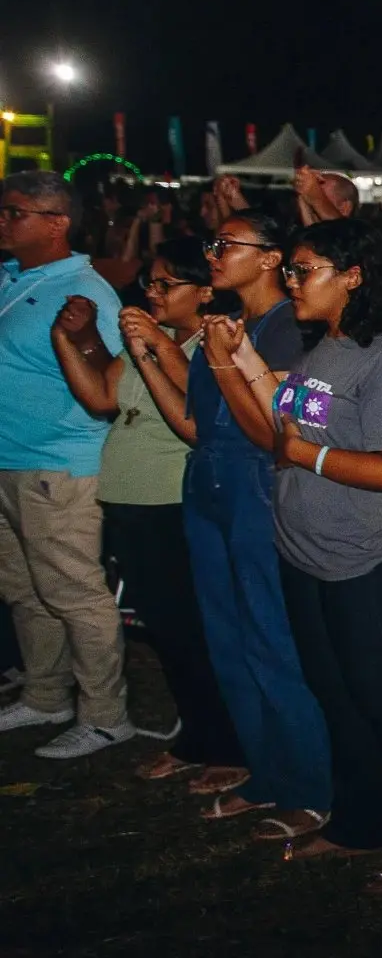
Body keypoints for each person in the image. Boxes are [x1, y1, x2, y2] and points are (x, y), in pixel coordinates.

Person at [223, 217, 382, 893]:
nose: (292, 281)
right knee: (336, 692)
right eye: (292, 270)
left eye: (305, 270)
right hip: (304, 549)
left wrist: (305, 455)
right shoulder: (323, 348)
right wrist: (241, 360)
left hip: (366, 553)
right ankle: (361, 822)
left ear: (352, 277)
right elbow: (289, 415)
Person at [132, 210, 335, 837]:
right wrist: (150, 357)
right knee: (228, 639)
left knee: (272, 637)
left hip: (258, 483)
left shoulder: (291, 328)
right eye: (213, 244)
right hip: (209, 481)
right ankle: (265, 772)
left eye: (226, 245)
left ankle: (312, 785)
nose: (213, 254)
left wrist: (223, 360)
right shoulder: (223, 324)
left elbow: (281, 427)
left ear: (271, 258)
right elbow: (196, 425)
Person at [52, 238, 244, 784]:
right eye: (149, 284)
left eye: (166, 284)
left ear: (204, 291)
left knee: (193, 631)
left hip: (172, 500)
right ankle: (197, 739)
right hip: (129, 499)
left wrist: (156, 344)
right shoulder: (155, 339)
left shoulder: (214, 344)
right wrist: (67, 339)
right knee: (164, 631)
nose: (153, 293)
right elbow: (102, 398)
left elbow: (201, 407)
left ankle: (228, 747)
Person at [0, 172, 135, 759]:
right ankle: (46, 695)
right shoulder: (12, 278)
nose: (3, 221)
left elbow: (112, 381)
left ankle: (106, 716)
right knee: (25, 591)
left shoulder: (83, 291)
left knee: (75, 594)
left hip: (58, 465)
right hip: (10, 461)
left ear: (56, 223)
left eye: (15, 212)